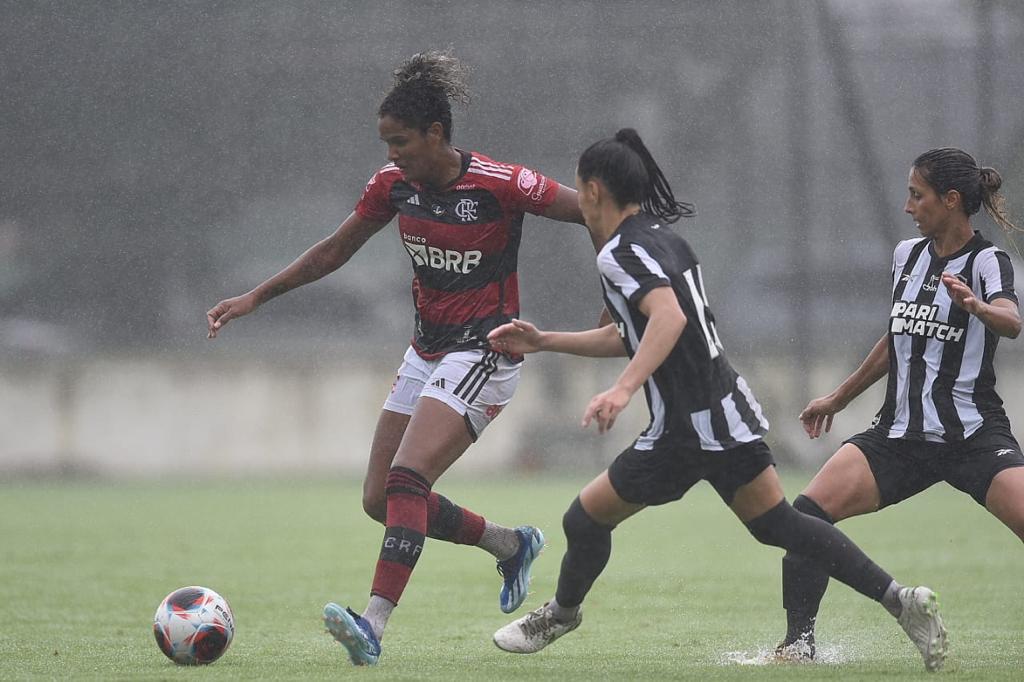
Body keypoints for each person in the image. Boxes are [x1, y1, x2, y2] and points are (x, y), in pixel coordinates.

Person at [488, 129, 947, 672]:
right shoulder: (664, 238)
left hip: (687, 426)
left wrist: (623, 388)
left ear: (591, 191)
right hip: (726, 410)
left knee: (584, 520)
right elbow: (636, 334)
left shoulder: (618, 253)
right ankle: (902, 601)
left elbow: (669, 318)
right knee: (778, 525)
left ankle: (561, 616)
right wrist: (544, 341)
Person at [205, 51, 586, 666]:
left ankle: (373, 625)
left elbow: (593, 213)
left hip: (486, 350)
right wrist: (257, 296)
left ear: (437, 134)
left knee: (408, 479)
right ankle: (511, 544)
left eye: (400, 141)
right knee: (381, 500)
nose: (392, 154)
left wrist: (615, 298)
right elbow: (334, 251)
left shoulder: (501, 182)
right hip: (426, 350)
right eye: (386, 142)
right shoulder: (394, 186)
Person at [775, 147, 1023, 662]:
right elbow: (896, 339)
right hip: (899, 435)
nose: (908, 207)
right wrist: (838, 398)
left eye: (917, 195)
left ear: (951, 200)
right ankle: (798, 646)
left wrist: (976, 307)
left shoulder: (987, 261)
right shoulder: (905, 256)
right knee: (806, 516)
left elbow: (1011, 320)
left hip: (973, 436)